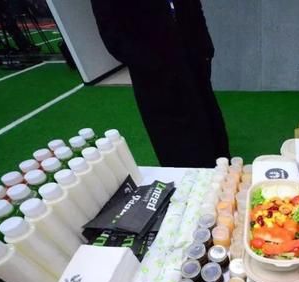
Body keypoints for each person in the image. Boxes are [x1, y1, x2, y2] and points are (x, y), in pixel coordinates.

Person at [91, 0, 230, 167]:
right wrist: (150, 64)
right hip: (153, 69)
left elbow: (193, 6)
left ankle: (223, 168)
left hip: (192, 55)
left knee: (208, 117)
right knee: (174, 132)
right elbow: (111, 31)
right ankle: (190, 175)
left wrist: (205, 47)